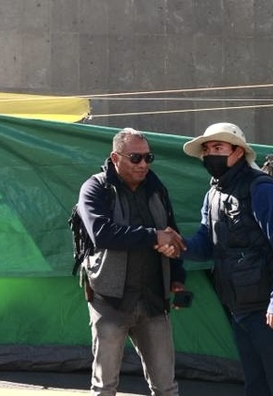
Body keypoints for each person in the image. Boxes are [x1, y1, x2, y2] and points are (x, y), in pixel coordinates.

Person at [181, 122, 273, 396]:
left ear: (238, 152)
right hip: (240, 310)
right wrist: (176, 246)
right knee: (257, 388)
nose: (210, 154)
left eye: (218, 147)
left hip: (271, 310)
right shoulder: (212, 195)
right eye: (207, 149)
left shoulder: (262, 188)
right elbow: (206, 245)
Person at [75, 127, 185, 396]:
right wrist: (153, 236)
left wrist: (177, 273)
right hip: (111, 301)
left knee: (166, 387)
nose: (144, 164)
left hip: (153, 301)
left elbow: (170, 232)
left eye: (149, 158)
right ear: (115, 158)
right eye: (136, 158)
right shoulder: (95, 188)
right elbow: (102, 234)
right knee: (105, 387)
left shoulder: (157, 189)